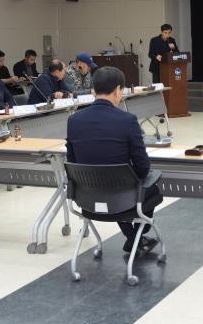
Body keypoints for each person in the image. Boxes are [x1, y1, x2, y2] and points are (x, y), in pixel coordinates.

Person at [65, 66, 163, 253]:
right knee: (148, 188)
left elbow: (72, 162)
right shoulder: (127, 120)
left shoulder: (74, 120)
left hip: (87, 199)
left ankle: (134, 238)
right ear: (118, 90)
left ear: (93, 90)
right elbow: (143, 167)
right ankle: (136, 237)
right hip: (122, 198)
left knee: (113, 183)